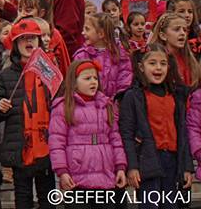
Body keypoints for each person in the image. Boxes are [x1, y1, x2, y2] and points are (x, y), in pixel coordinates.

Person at [0, 19, 55, 209]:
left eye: (32, 38)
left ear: (39, 42)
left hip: (46, 144)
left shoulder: (50, 71)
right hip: (20, 146)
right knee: (23, 196)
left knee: (48, 196)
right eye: (23, 39)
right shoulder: (6, 75)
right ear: (15, 45)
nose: (28, 43)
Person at [119, 45, 193, 201]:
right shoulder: (133, 96)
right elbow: (127, 134)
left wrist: (186, 167)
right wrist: (132, 166)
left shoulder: (175, 95)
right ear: (141, 67)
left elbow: (183, 134)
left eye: (163, 63)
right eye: (152, 63)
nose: (158, 68)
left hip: (172, 161)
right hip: (146, 160)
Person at [48, 61, 126, 204]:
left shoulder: (106, 106)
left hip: (106, 176)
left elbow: (115, 139)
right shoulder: (64, 107)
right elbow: (56, 143)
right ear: (74, 82)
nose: (93, 82)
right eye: (87, 78)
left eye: (95, 78)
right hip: (77, 178)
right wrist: (62, 171)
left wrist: (120, 166)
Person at [72, 13, 132, 100]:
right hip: (89, 105)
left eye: (87, 29)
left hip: (114, 107)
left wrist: (115, 101)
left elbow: (125, 81)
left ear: (101, 34)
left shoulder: (121, 55)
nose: (83, 32)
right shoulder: (81, 56)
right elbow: (76, 83)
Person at [148, 13, 200, 88]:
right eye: (177, 29)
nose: (182, 33)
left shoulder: (190, 60)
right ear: (163, 36)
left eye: (185, 30)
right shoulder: (154, 60)